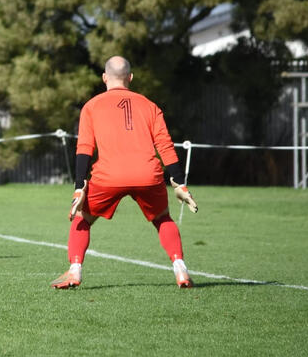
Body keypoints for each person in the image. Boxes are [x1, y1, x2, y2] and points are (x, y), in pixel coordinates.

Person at [51, 56, 199, 290]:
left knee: (82, 219)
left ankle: (74, 270)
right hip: (148, 175)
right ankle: (180, 267)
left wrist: (79, 186)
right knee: (162, 219)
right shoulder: (150, 105)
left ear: (104, 77)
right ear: (130, 78)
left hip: (108, 177)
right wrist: (179, 184)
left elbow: (84, 148)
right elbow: (165, 145)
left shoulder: (91, 106)